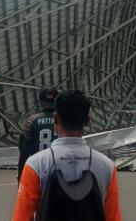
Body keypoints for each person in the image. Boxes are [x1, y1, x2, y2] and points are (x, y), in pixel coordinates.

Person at [12, 90, 121, 221]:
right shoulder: (107, 167)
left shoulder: (35, 165)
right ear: (87, 121)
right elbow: (113, 217)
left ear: (56, 119)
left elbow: (21, 217)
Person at [17, 87, 58, 182]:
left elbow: (24, 152)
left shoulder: (32, 120)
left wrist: (20, 177)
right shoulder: (63, 120)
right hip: (58, 170)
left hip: (37, 169)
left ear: (40, 101)